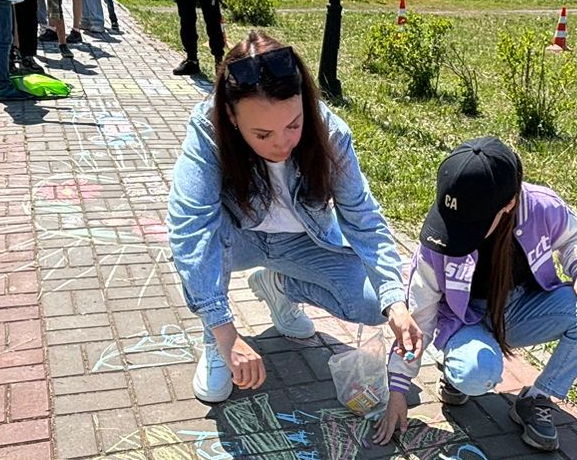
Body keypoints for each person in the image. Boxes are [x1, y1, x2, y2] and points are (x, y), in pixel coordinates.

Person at [167, 32, 422, 404]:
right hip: (237, 239)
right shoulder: (208, 131)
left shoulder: (330, 132)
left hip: (303, 241)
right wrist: (225, 332)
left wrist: (395, 301)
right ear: (231, 117)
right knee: (203, 234)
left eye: (293, 125)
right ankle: (214, 340)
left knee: (373, 304)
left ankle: (280, 288)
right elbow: (190, 229)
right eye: (263, 133)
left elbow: (362, 216)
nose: (282, 143)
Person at [374, 137, 577, 452]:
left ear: (508, 204)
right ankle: (458, 366)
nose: (458, 231)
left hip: (522, 308)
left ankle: (535, 399)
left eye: (471, 224)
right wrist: (398, 390)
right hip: (464, 319)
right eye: (453, 221)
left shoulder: (541, 206)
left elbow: (575, 236)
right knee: (475, 374)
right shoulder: (438, 236)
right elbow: (418, 316)